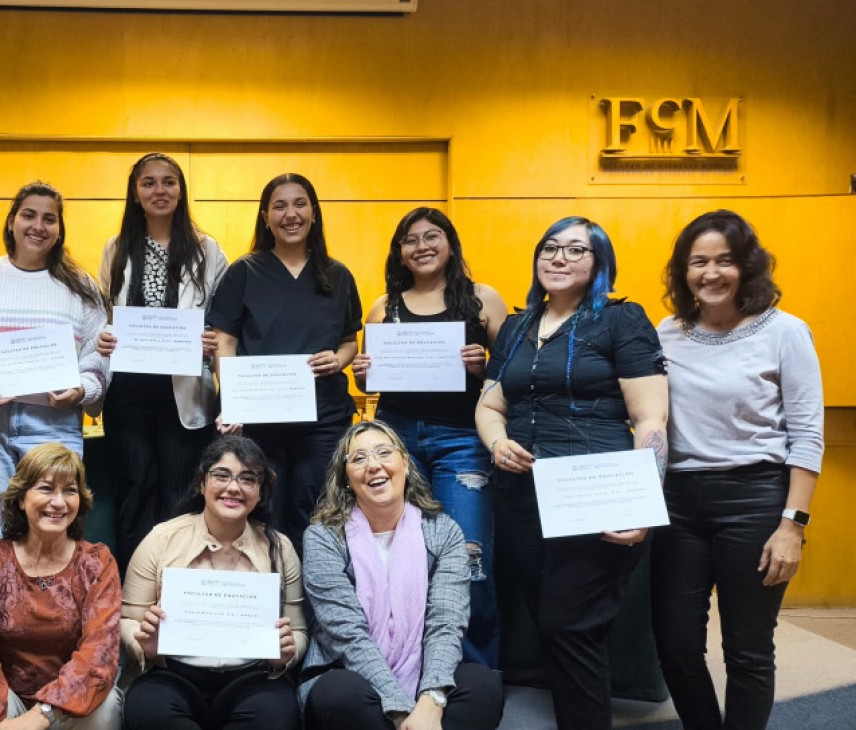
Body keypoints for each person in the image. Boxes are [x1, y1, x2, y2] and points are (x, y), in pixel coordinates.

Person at [475, 216, 668, 729]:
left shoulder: (621, 320)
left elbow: (651, 418)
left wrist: (644, 502)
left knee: (569, 625)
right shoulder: (517, 326)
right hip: (520, 495)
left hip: (594, 492)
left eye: (576, 250)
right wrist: (497, 443)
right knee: (555, 626)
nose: (559, 258)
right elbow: (490, 405)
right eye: (550, 248)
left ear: (599, 262)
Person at [651, 210, 823, 730]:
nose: (711, 273)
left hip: (755, 500)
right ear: (683, 271)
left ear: (747, 267)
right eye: (698, 262)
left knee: (747, 649)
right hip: (678, 502)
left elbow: (807, 436)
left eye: (724, 261)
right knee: (675, 644)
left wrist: (792, 526)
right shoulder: (668, 331)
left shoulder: (786, 331)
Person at [351, 207, 508, 668]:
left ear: (450, 243)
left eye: (431, 236)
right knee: (402, 557)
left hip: (463, 439)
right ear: (399, 252)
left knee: (469, 558)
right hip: (396, 441)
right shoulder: (385, 306)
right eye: (410, 239)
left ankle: (477, 674)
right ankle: (413, 663)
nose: (421, 246)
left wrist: (485, 366)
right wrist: (363, 371)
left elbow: (514, 374)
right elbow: (369, 385)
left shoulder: (483, 300)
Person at [0, 182, 109, 545]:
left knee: (51, 528)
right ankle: (0, 603)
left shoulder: (81, 286)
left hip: (54, 421)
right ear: (12, 221)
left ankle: (44, 603)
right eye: (28, 215)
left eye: (50, 219)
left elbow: (99, 355)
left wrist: (82, 390)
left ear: (60, 229)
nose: (38, 226)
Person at [301, 420, 504, 730]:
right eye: (358, 458)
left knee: (482, 685)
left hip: (424, 673)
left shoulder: (443, 531)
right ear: (345, 479)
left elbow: (446, 623)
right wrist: (399, 710)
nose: (373, 466)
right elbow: (347, 634)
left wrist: (431, 700)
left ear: (405, 464)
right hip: (351, 673)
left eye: (384, 452)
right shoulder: (323, 537)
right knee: (339, 695)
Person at [206, 173, 362, 550]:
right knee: (264, 509)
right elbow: (223, 342)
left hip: (322, 419)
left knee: (317, 510)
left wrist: (338, 360)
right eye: (279, 206)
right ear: (265, 217)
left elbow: (349, 342)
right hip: (260, 419)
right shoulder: (244, 272)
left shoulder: (337, 275)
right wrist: (233, 401)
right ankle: (270, 598)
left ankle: (310, 600)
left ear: (313, 213)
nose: (290, 214)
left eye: (299, 204)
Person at [96, 152, 229, 570]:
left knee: (181, 492)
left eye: (168, 182)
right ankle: (133, 593)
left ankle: (177, 587)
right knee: (135, 489)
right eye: (148, 183)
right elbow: (104, 314)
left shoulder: (207, 250)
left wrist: (211, 339)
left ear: (181, 190)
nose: (159, 190)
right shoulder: (117, 249)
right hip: (129, 390)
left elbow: (223, 321)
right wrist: (103, 338)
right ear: (135, 193)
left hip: (185, 390)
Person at [121, 435, 306, 730]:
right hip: (172, 674)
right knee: (149, 713)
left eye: (248, 478)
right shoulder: (160, 539)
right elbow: (128, 618)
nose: (234, 487)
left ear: (261, 491)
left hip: (254, 678)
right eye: (221, 474)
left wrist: (286, 653)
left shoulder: (279, 548)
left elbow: (298, 631)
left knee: (274, 719)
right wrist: (145, 644)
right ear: (201, 483)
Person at [0, 443, 122, 730]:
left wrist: (41, 716)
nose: (59, 502)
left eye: (70, 490)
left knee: (106, 710)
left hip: (70, 704)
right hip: (7, 696)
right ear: (21, 498)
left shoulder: (96, 562)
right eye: (45, 489)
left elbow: (99, 654)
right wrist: (3, 725)